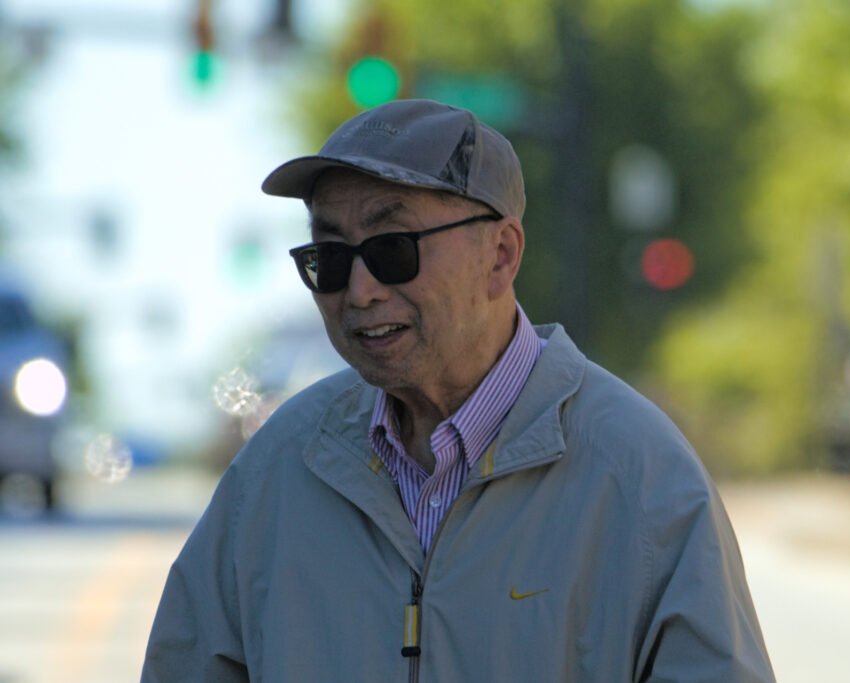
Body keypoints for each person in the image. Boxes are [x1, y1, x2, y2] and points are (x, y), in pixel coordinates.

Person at [142, 99, 775, 682]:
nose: (359, 290)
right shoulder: (277, 469)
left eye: (393, 250)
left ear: (501, 255)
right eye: (328, 257)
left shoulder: (641, 476)